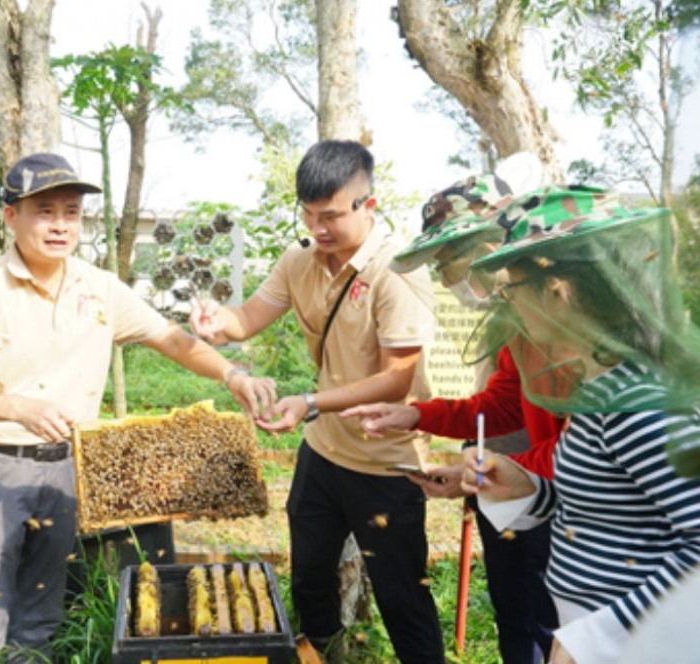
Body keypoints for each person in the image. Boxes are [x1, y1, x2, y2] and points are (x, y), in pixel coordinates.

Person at [0, 152, 277, 664]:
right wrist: (16, 407)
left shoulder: (100, 287)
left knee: (39, 626)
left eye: (71, 211)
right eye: (45, 211)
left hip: (69, 470)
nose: (61, 224)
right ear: (11, 216)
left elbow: (173, 341)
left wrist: (231, 373)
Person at [191, 140, 443, 663]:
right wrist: (218, 324)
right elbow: (250, 316)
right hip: (323, 456)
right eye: (308, 215)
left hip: (386, 463)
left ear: (367, 205)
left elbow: (398, 379)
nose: (318, 229)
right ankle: (322, 656)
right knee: (308, 581)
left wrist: (310, 401)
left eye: (330, 216)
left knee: (403, 599)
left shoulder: (399, 271)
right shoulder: (300, 260)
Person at [458, 187, 700, 664]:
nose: (508, 305)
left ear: (557, 292)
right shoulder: (604, 390)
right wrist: (525, 486)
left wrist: (594, 637)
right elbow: (615, 511)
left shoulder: (636, 402)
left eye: (511, 288)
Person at [340, 158, 565, 664]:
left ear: (491, 247)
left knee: (559, 627)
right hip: (538, 489)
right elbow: (503, 403)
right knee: (518, 615)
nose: (447, 280)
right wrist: (416, 416)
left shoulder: (566, 310)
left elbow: (593, 448)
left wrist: (484, 476)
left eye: (451, 264)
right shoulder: (519, 320)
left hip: (592, 515)